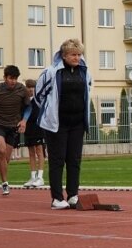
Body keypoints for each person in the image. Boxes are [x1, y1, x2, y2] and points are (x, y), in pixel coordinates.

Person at [35, 39, 92, 210]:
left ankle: (73, 195)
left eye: (79, 54)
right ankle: (57, 198)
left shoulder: (85, 72)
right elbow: (39, 96)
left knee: (74, 160)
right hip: (56, 124)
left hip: (77, 123)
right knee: (57, 160)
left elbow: (88, 90)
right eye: (73, 55)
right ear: (64, 55)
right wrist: (49, 113)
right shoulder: (51, 72)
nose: (77, 58)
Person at [0, 65, 31, 196]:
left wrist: (24, 120)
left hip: (13, 126)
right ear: (5, 77)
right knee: (1, 150)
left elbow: (29, 108)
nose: (13, 81)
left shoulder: (22, 90)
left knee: (5, 159)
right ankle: (5, 183)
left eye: (15, 78)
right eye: (11, 78)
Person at [23, 79, 46, 188]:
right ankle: (33, 177)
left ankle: (40, 177)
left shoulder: (39, 99)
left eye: (33, 87)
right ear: (26, 88)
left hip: (38, 128)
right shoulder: (24, 101)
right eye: (29, 87)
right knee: (31, 153)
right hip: (28, 128)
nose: (31, 89)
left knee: (39, 151)